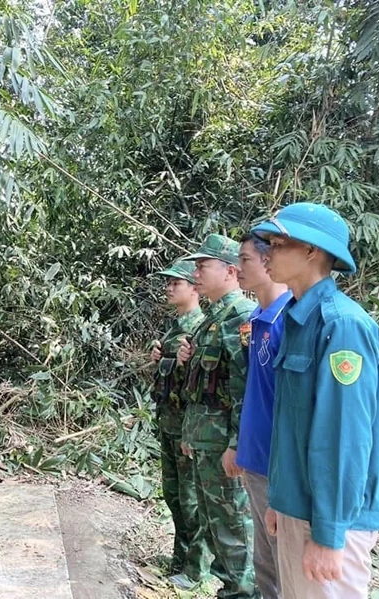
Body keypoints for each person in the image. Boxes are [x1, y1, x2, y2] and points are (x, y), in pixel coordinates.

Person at [251, 203, 379, 599]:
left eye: (277, 244)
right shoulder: (298, 319)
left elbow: (344, 437)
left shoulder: (342, 326)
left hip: (331, 520)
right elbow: (291, 424)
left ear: (312, 251)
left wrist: (330, 535)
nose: (267, 254)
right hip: (302, 509)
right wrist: (281, 500)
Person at [177, 233, 259, 598]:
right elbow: (202, 387)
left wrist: (236, 444)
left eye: (202, 265)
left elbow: (244, 388)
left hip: (223, 444)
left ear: (229, 271)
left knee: (234, 532)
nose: (196, 272)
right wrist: (190, 434)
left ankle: (244, 593)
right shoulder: (212, 319)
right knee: (215, 528)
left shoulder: (240, 318)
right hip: (204, 439)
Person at [149, 259, 212, 586]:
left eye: (177, 282)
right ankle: (180, 558)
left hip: (188, 426)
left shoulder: (200, 326)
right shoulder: (177, 327)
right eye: (168, 282)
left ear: (194, 288)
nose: (170, 287)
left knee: (190, 499)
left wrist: (170, 360)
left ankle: (196, 568)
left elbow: (202, 379)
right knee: (174, 495)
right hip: (170, 422)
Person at [235, 233, 292, 599]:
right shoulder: (255, 319)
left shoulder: (289, 321)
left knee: (284, 564)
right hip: (255, 458)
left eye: (244, 260)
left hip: (278, 464)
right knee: (265, 565)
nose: (238, 268)